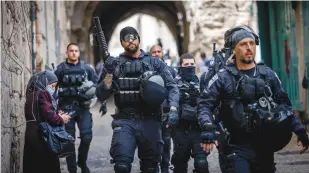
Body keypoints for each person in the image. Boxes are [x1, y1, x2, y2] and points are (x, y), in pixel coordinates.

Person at [198, 25, 309, 173]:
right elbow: (205, 105)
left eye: (251, 43)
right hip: (235, 146)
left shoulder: (267, 74)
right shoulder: (223, 77)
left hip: (264, 144)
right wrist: (208, 129)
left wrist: (300, 130)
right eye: (243, 44)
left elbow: (284, 105)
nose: (249, 47)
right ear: (233, 49)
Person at [96, 26, 179, 173]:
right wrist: (108, 73)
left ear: (138, 39)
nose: (131, 41)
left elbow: (172, 86)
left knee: (151, 167)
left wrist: (173, 108)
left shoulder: (155, 63)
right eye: (126, 39)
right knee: (121, 165)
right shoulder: (113, 64)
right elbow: (101, 94)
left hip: (150, 120)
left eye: (133, 37)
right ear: (122, 42)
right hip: (125, 120)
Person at [54, 43, 98, 173]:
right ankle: (72, 169)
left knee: (87, 137)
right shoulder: (60, 69)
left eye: (76, 51)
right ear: (67, 53)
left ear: (79, 53)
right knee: (69, 140)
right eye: (71, 51)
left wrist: (98, 101)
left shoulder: (87, 68)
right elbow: (52, 88)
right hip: (66, 108)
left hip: (83, 108)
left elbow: (96, 86)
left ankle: (82, 162)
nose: (74, 53)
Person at [23, 71, 71, 173]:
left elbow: (40, 113)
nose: (53, 90)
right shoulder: (43, 93)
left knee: (32, 166)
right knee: (48, 166)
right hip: (42, 137)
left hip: (30, 136)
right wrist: (61, 118)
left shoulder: (31, 95)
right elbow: (49, 115)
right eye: (52, 86)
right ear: (43, 83)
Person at [171, 53, 209, 173]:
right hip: (181, 131)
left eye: (192, 64)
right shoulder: (174, 84)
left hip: (198, 129)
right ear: (180, 66)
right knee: (180, 165)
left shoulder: (201, 82)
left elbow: (209, 103)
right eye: (186, 64)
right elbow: (169, 103)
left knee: (202, 164)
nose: (189, 66)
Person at [150, 44, 176, 173]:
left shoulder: (171, 71)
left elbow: (175, 90)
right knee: (153, 144)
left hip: (166, 113)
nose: (156, 54)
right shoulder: (146, 71)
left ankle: (165, 168)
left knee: (166, 142)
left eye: (158, 51)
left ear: (162, 52)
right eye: (153, 52)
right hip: (151, 115)